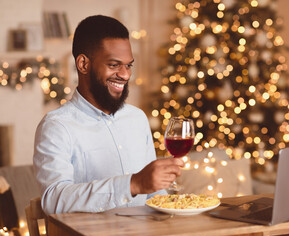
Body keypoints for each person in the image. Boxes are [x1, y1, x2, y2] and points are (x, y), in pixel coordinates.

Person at [33, 15, 184, 214]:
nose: (125, 75)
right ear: (83, 64)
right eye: (114, 65)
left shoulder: (137, 119)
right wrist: (132, 184)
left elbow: (153, 195)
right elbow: (54, 199)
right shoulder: (56, 126)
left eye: (129, 65)